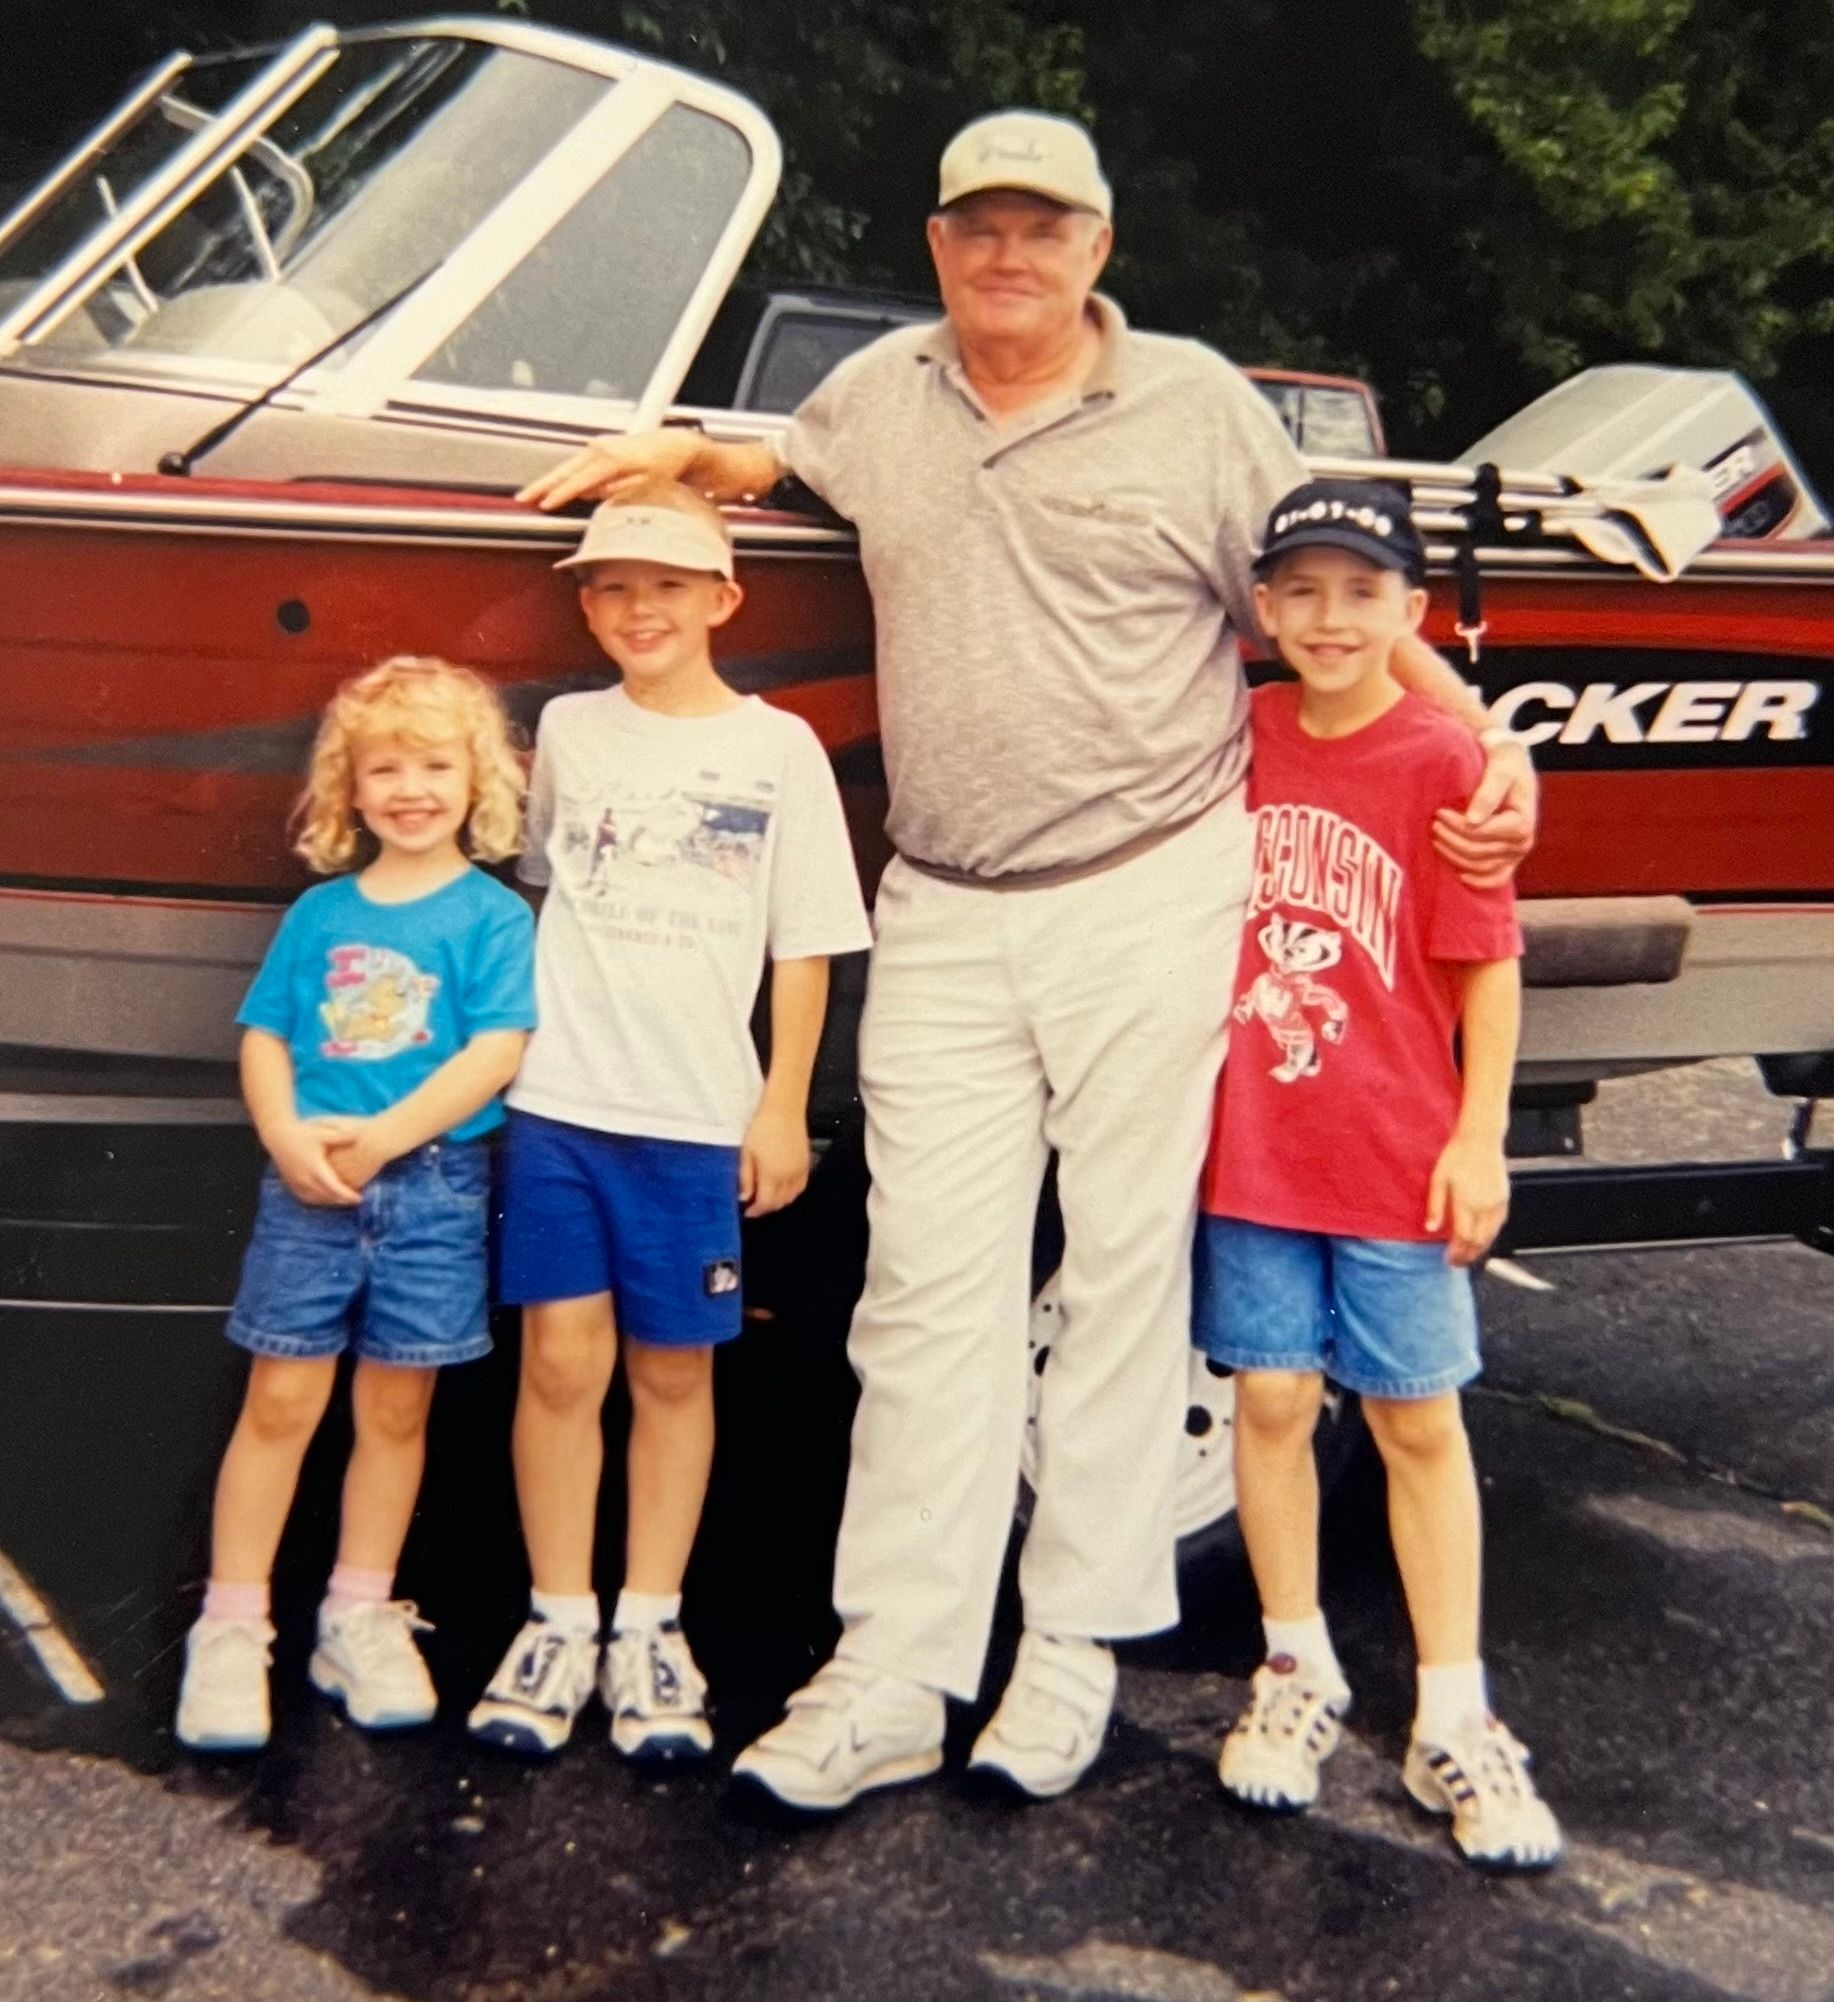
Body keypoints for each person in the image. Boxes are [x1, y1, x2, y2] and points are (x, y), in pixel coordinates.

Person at [517, 113, 1537, 1810]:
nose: (1009, 257)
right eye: (978, 228)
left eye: (1042, 230)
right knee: (919, 1294)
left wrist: (1482, 740)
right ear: (935, 246)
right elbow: (784, 462)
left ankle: (1069, 1651)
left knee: (1122, 1280)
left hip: (1148, 885)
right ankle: (893, 1668)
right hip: (942, 900)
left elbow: (1335, 599)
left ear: (1096, 251)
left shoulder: (1195, 404)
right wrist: (679, 461)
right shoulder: (881, 392)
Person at [467, 482, 871, 1761]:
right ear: (586, 605)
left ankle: (650, 1626)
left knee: (673, 1368)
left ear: (723, 601)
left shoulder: (778, 746)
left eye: (667, 585)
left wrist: (781, 1107)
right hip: (560, 1106)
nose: (639, 608)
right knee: (556, 1366)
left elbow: (804, 948)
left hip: (695, 1118)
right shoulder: (571, 731)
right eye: (611, 587)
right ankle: (555, 1622)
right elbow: (541, 895)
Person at [1196, 478, 1561, 1870]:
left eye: (1363, 593)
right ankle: (1295, 1665)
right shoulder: (1237, 735)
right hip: (1252, 1145)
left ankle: (1453, 1710)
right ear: (1264, 609)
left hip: (1395, 1148)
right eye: (1302, 590)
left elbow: (1488, 966)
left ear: (1409, 614)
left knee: (1415, 1418)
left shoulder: (1440, 763)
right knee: (1271, 1395)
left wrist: (1479, 1136)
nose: (1329, 617)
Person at [174, 657, 535, 1753]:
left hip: (431, 1188)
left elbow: (496, 1049)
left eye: (435, 764)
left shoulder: (491, 915)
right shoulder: (321, 912)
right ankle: (232, 1626)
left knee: (396, 1412)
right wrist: (286, 1135)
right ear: (351, 787)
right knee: (280, 1403)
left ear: (478, 783)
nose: (411, 787)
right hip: (312, 1191)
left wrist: (387, 1136)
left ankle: (358, 1613)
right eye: (386, 767)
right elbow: (267, 1036)